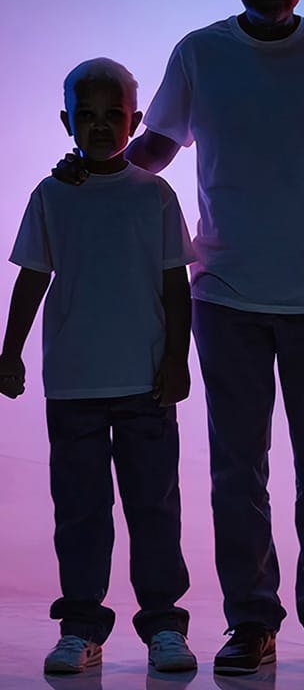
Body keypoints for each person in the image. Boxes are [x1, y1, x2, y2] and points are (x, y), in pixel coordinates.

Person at [119, 0, 304, 675]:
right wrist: (99, 175)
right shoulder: (201, 53)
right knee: (238, 468)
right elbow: (160, 145)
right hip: (226, 290)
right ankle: (251, 621)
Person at [0, 59, 196, 675]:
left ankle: (164, 625)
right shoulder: (52, 194)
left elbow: (175, 286)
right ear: (67, 122)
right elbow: (32, 278)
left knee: (154, 508)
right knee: (81, 511)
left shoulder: (154, 194)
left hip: (145, 383)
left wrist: (176, 360)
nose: (101, 126)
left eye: (115, 115)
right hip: (76, 383)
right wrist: (9, 352)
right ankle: (81, 625)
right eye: (87, 116)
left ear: (135, 121)